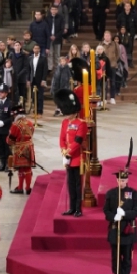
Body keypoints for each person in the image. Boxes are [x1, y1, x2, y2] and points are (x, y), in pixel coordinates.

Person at [103, 169, 137, 274]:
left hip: (127, 230)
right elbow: (106, 210)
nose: (121, 182)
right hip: (115, 229)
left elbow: (136, 211)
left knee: (127, 257)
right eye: (119, 180)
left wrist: (124, 213)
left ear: (127, 180)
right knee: (115, 257)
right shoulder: (111, 193)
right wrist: (114, 216)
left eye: (123, 180)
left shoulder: (133, 194)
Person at [57, 89, 88, 217]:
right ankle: (71, 207)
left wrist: (69, 152)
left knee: (77, 184)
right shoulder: (65, 122)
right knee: (70, 184)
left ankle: (78, 208)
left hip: (77, 157)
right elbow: (62, 138)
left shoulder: (81, 124)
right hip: (68, 157)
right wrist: (63, 150)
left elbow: (78, 141)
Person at [6, 105, 35, 194]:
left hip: (20, 149)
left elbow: (10, 140)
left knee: (21, 169)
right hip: (29, 147)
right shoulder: (30, 123)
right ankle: (27, 188)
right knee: (28, 169)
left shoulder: (15, 125)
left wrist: (8, 141)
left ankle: (20, 187)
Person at [26, 44, 48, 118]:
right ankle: (35, 111)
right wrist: (28, 79)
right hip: (33, 79)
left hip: (40, 80)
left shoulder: (43, 58)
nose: (36, 50)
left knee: (40, 96)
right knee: (33, 96)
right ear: (33, 49)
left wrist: (43, 80)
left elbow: (45, 70)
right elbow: (28, 70)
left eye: (37, 48)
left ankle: (39, 111)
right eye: (35, 48)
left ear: (39, 50)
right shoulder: (30, 58)